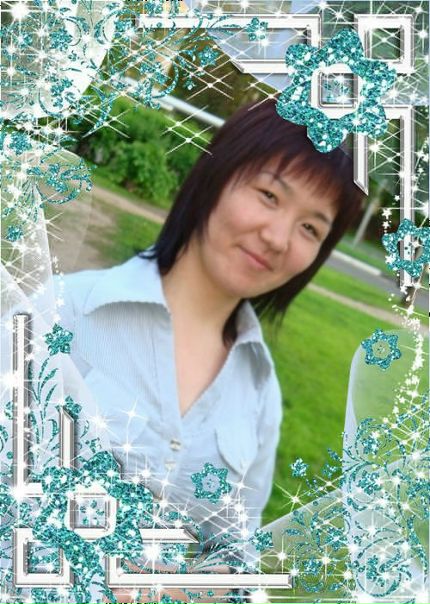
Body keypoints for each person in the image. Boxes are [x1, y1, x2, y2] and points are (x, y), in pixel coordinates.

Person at [55, 98, 364, 599]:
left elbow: (236, 559)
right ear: (215, 175)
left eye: (311, 228)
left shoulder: (259, 393)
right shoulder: (66, 313)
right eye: (269, 195)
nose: (278, 238)